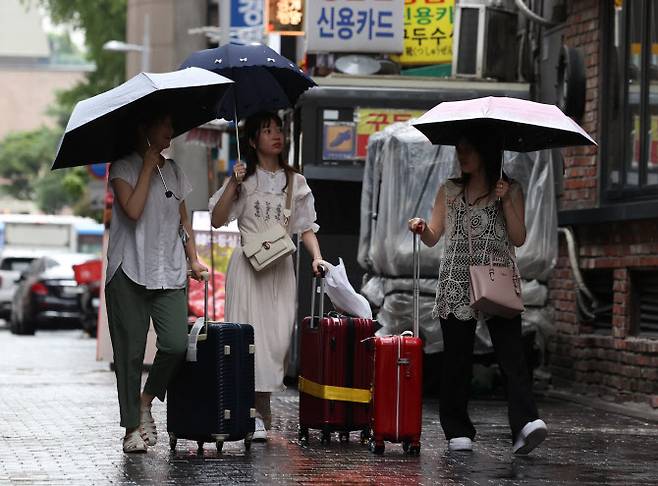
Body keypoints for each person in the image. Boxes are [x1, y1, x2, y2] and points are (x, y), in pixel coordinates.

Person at [408, 132, 547, 454]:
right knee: (456, 356)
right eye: (460, 150)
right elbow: (433, 236)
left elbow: (519, 237)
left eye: (469, 149)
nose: (463, 155)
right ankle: (457, 429)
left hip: (496, 277)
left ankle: (526, 423)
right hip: (457, 278)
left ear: (487, 151)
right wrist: (420, 228)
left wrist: (507, 200)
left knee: (512, 354)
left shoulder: (510, 189)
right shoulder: (450, 189)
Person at [209, 111, 323, 441]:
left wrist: (317, 257)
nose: (277, 135)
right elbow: (217, 219)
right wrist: (233, 182)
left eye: (279, 129)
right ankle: (253, 413)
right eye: (267, 130)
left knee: (276, 342)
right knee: (248, 340)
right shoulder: (244, 179)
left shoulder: (295, 181)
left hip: (280, 270)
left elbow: (306, 227)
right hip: (247, 268)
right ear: (251, 140)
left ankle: (262, 404)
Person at [105, 110, 207, 453]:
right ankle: (131, 428)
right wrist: (148, 166)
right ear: (143, 127)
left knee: (176, 345)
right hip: (128, 272)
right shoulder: (121, 167)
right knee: (130, 354)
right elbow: (132, 211)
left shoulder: (175, 172)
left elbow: (183, 224)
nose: (171, 129)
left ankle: (146, 400)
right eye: (164, 122)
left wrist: (193, 259)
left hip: (169, 271)